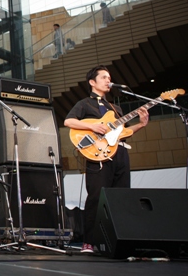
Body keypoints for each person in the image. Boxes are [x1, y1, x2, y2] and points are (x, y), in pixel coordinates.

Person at [64, 65, 149, 254]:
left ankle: (119, 240)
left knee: (121, 197)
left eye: (109, 77)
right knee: (96, 197)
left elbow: (123, 133)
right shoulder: (84, 104)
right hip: (98, 156)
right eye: (103, 77)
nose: (108, 80)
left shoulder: (115, 108)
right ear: (92, 82)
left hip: (120, 153)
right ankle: (89, 242)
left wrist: (141, 125)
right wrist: (93, 127)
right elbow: (68, 121)